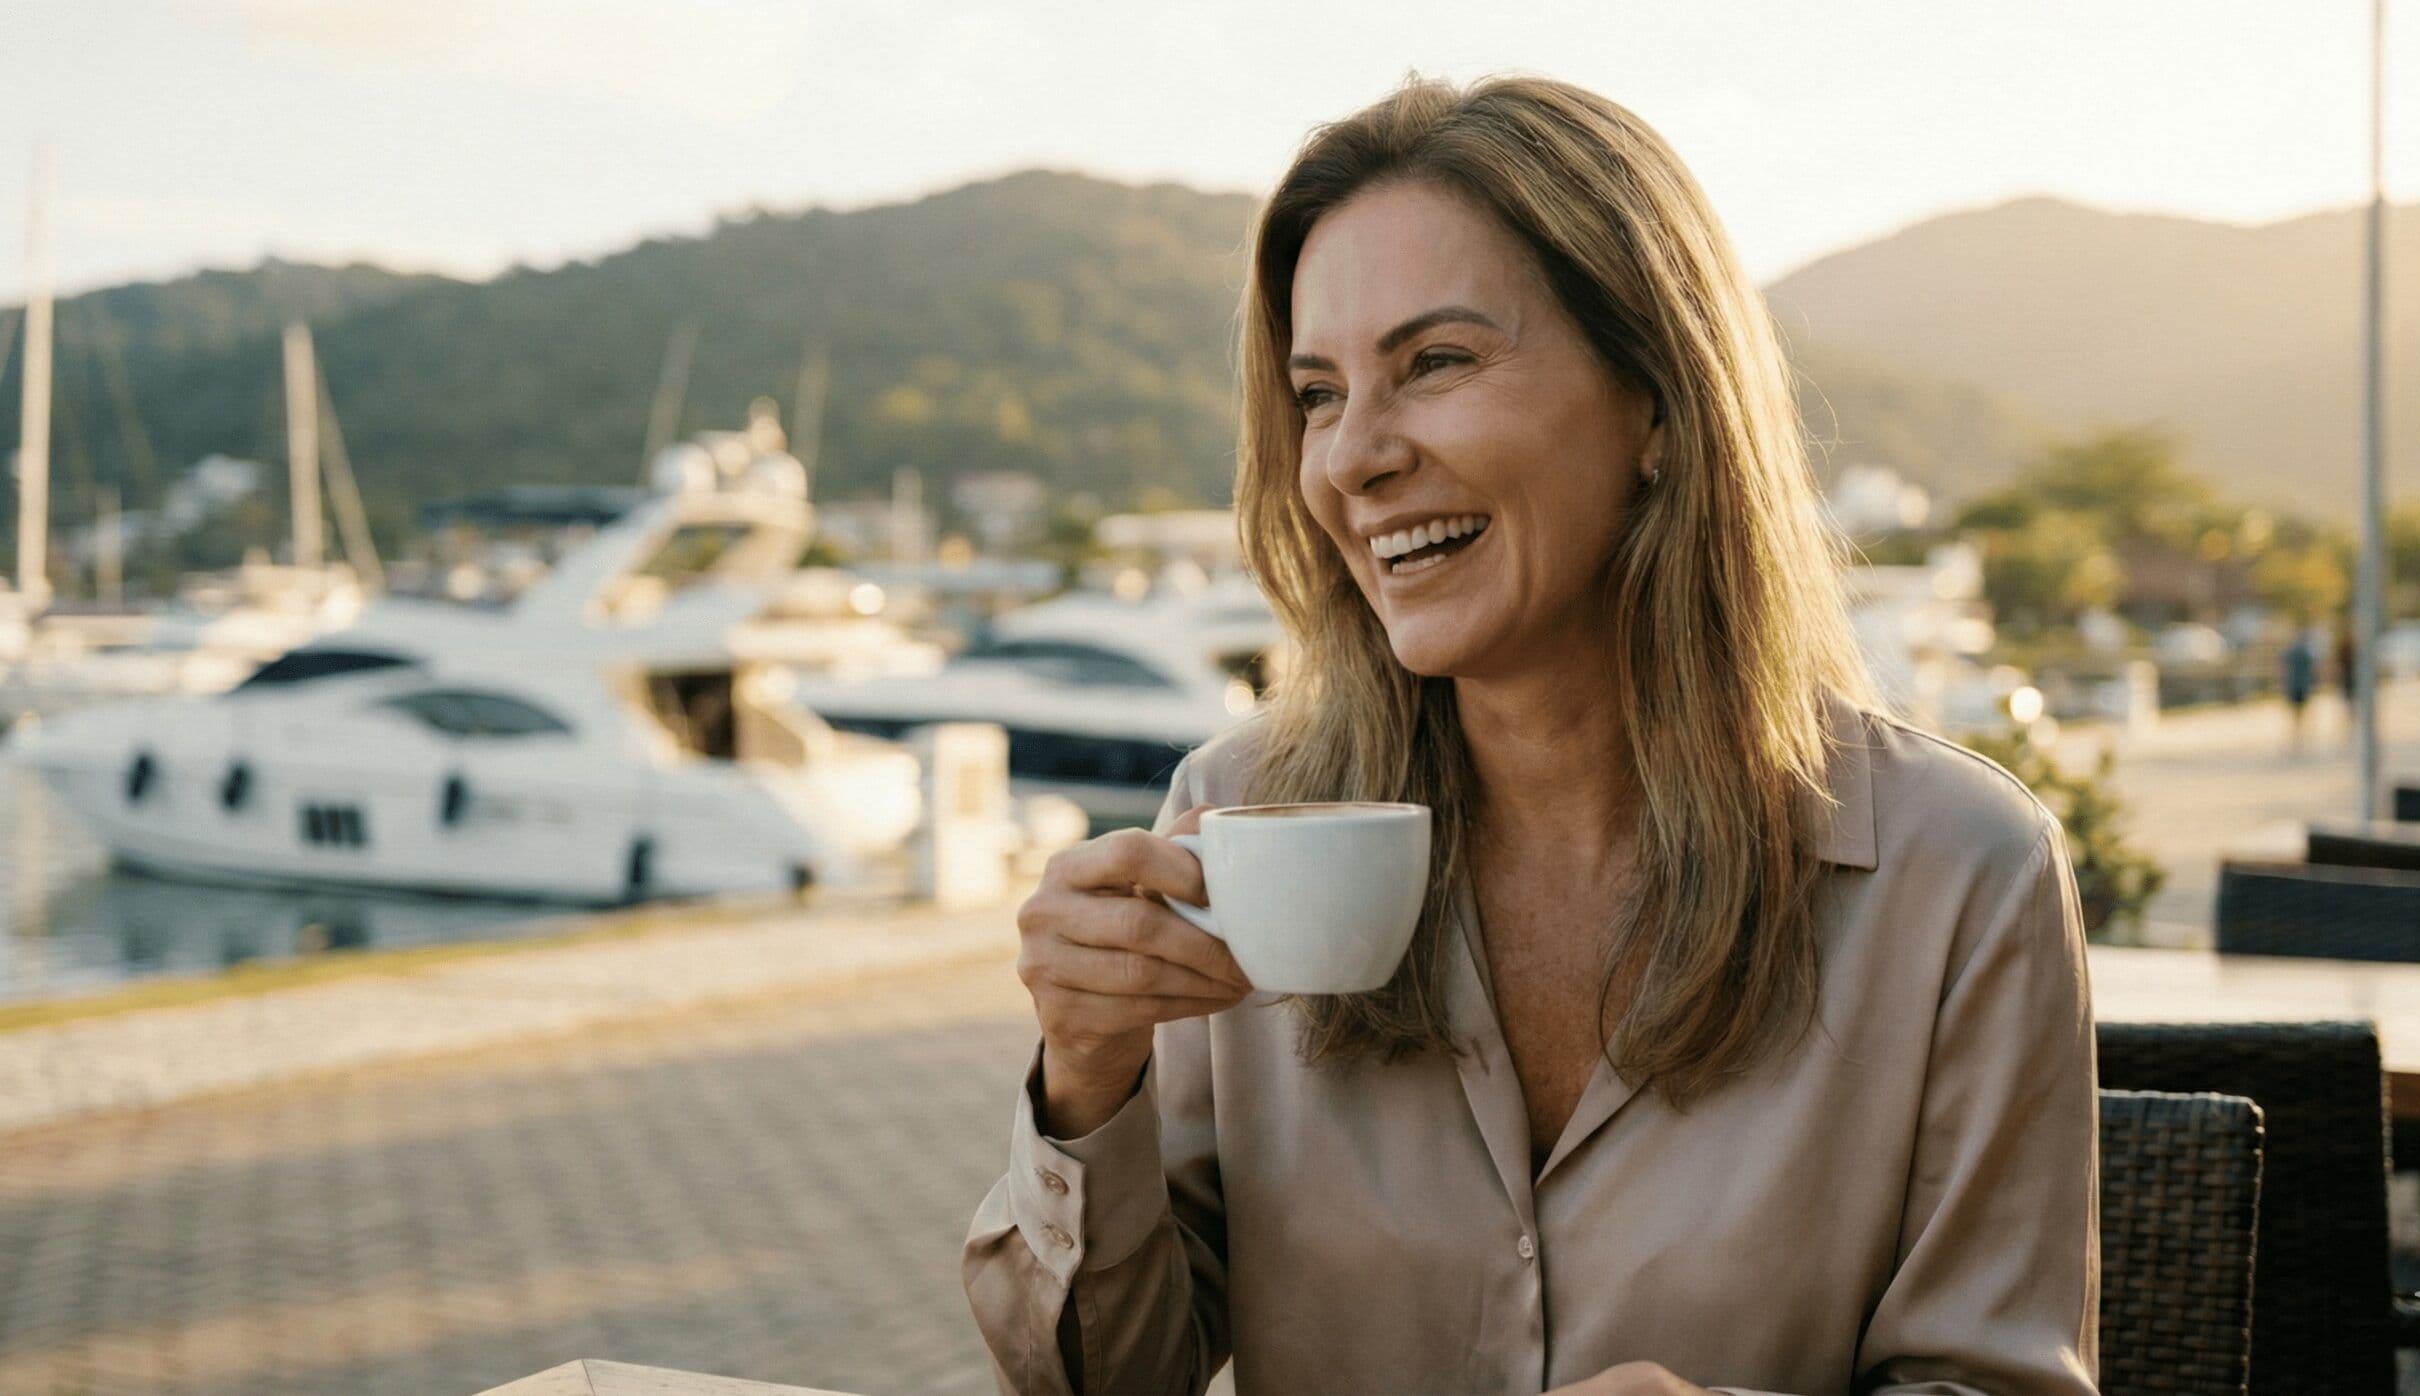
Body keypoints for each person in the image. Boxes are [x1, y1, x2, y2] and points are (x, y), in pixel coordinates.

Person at [964, 75, 2098, 1396]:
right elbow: (1106, 1383)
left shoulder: (1958, 874)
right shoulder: (1234, 823)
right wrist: (1085, 1084)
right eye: (1320, 394)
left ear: (1661, 406)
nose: (1352, 459)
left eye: (1434, 364)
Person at [2281, 625, 2320, 755]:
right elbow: (2314, 668)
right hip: (2303, 685)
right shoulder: (2306, 652)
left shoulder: (2291, 651)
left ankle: (2297, 734)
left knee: (2296, 712)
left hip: (2293, 685)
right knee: (2303, 711)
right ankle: (2301, 733)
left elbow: (2283, 668)